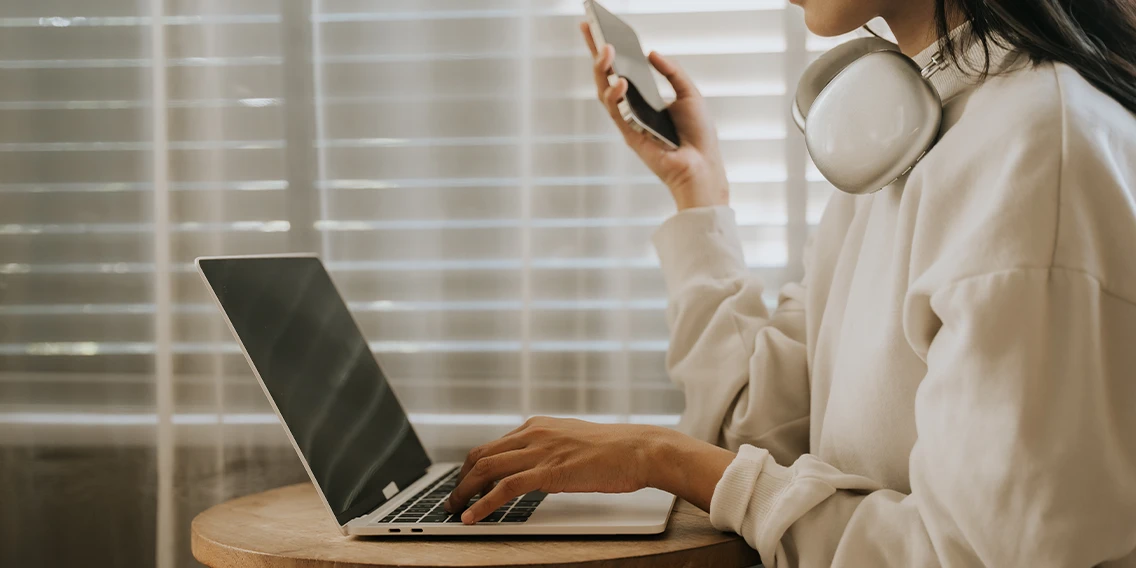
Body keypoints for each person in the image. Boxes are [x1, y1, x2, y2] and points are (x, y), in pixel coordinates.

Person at [444, 0, 1136, 565]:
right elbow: (757, 427)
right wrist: (699, 193)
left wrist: (661, 457)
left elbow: (985, 559)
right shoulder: (912, 133)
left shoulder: (1039, 153)